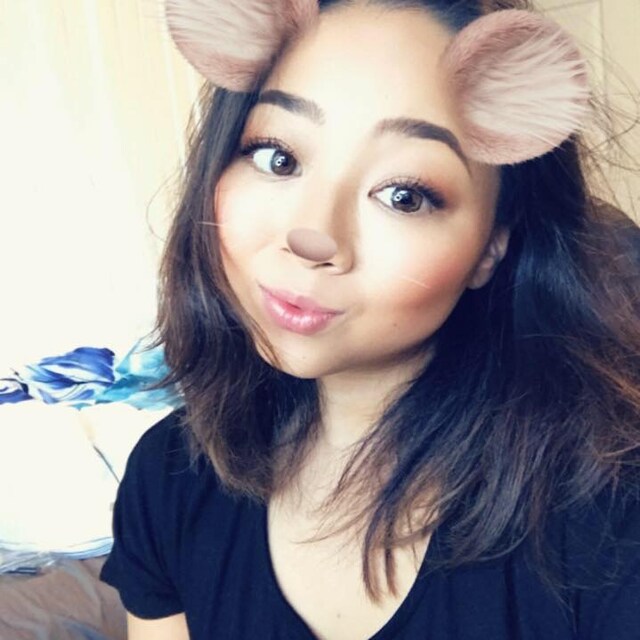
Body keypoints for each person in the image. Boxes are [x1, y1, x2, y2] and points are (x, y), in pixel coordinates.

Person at [99, 0, 640, 638]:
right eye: (277, 157)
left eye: (404, 195)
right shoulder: (169, 475)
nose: (312, 236)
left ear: (490, 249)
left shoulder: (611, 520)